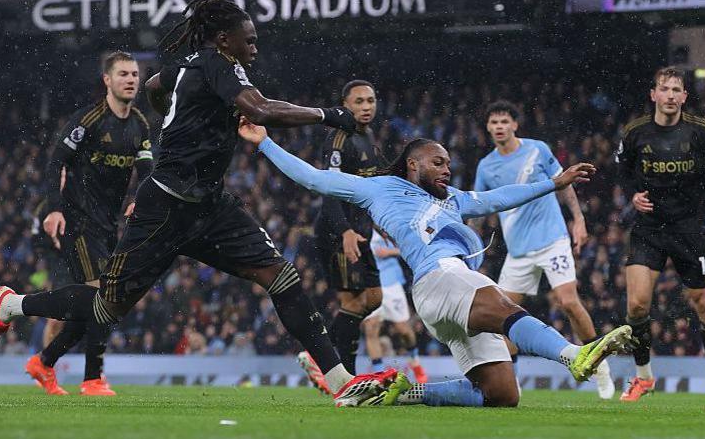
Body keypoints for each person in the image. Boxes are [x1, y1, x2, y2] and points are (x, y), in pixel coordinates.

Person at [0, 0, 396, 407]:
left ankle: (342, 382)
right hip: (166, 207)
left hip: (210, 206)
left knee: (281, 276)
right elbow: (262, 110)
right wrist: (329, 115)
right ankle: (10, 305)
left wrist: (195, 112)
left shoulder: (190, 66)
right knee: (105, 306)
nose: (255, 47)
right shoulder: (217, 63)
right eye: (248, 40)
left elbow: (156, 88)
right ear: (223, 39)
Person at [241, 121, 635, 407]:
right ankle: (573, 355)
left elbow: (498, 197)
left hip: (448, 290)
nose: (447, 169)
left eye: (448, 163)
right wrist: (265, 143)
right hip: (439, 276)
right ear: (413, 165)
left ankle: (404, 392)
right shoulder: (379, 188)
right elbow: (315, 179)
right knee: (502, 304)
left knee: (501, 394)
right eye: (438, 162)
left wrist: (554, 183)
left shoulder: (454, 199)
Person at [24, 51, 153, 397]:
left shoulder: (140, 124)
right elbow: (56, 162)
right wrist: (54, 209)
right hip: (79, 221)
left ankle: (43, 358)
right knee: (102, 297)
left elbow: (146, 169)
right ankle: (93, 378)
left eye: (135, 74)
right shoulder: (89, 120)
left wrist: (141, 198)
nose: (131, 79)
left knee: (94, 305)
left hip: (109, 225)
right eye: (123, 74)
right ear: (107, 80)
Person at [473, 100, 615, 400]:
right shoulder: (486, 166)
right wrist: (470, 244)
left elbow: (564, 184)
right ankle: (511, 382)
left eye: (504, 121)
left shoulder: (538, 149)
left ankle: (600, 365)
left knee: (568, 301)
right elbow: (478, 207)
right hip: (518, 251)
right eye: (494, 122)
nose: (499, 127)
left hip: (552, 239)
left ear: (515, 125)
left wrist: (578, 219)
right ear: (488, 127)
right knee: (500, 316)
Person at [614, 66, 705, 403]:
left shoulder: (702, 132)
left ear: (684, 96)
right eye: (664, 89)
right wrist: (632, 195)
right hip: (649, 228)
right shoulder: (635, 133)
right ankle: (643, 378)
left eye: (676, 90)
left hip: (690, 229)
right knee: (636, 305)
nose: (669, 96)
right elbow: (622, 171)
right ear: (653, 94)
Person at [297, 80, 387, 385]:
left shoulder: (368, 136)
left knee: (373, 297)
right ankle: (346, 378)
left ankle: (316, 356)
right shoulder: (338, 139)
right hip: (338, 233)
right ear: (345, 105)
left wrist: (380, 221)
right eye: (359, 101)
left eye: (370, 101)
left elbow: (373, 186)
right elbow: (329, 192)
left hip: (361, 231)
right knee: (351, 303)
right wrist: (345, 230)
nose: (366, 107)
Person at [363, 228, 429, 383]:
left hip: (391, 283)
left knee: (403, 329)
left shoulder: (385, 224)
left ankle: (415, 361)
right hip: (370, 284)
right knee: (371, 328)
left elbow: (411, 246)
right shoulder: (358, 225)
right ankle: (380, 375)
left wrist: (390, 252)